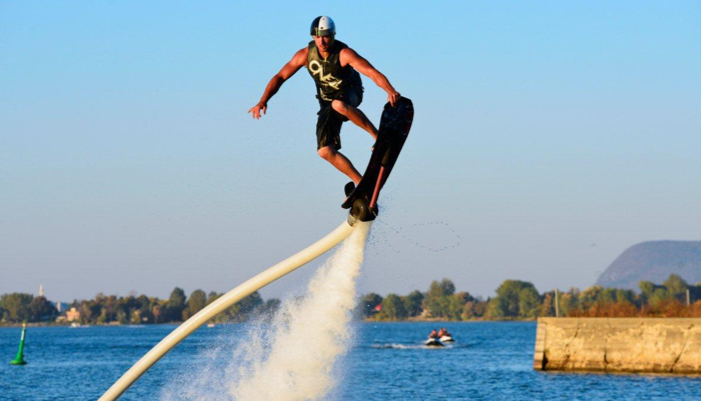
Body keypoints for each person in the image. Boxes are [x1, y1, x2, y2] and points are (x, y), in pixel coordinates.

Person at [248, 16, 401, 189]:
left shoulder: (344, 53)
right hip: (327, 103)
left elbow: (371, 71)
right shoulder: (305, 55)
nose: (322, 41)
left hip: (350, 92)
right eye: (318, 36)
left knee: (339, 104)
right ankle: (362, 184)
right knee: (324, 151)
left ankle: (378, 137)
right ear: (313, 36)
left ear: (333, 35)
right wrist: (263, 100)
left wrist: (390, 90)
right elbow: (280, 76)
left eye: (326, 36)